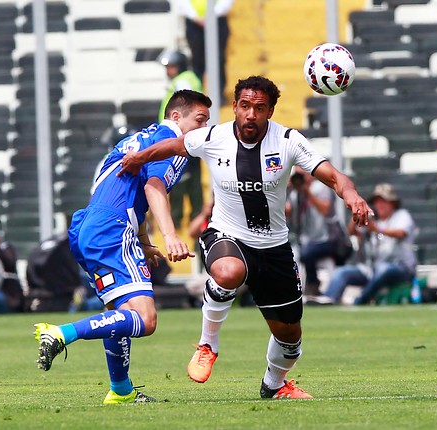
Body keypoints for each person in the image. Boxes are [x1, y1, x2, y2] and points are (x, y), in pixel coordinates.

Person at [118, 75, 373, 399]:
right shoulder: (214, 136)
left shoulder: (288, 141)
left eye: (260, 108)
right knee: (228, 272)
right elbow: (174, 145)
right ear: (236, 106)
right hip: (227, 234)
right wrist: (140, 157)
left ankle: (275, 384)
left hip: (274, 247)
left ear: (270, 111)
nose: (251, 114)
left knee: (290, 338)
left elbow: (335, 177)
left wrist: (352, 196)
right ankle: (208, 344)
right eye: (245, 106)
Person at [32, 89, 212, 404]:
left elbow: (124, 189)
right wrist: (169, 234)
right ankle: (61, 334)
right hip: (114, 229)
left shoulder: (136, 140)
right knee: (146, 319)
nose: (203, 128)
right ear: (175, 117)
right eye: (199, 119)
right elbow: (154, 186)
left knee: (120, 312)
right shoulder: (168, 143)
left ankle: (121, 390)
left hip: (91, 228)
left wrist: (144, 241)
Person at [323, 183, 417, 305]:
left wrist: (377, 229)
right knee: (341, 272)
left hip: (400, 268)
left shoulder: (402, 215)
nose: (380, 205)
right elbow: (351, 232)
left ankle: (359, 301)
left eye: (384, 201)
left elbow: (401, 233)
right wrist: (356, 213)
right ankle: (328, 300)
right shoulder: (372, 218)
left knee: (382, 269)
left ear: (393, 203)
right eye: (377, 201)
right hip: (371, 268)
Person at [157, 50, 204, 230]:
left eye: (171, 67)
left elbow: (188, 109)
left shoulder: (183, 81)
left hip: (182, 138)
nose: (168, 71)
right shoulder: (187, 79)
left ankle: (178, 220)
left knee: (180, 180)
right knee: (191, 179)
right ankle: (191, 215)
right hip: (187, 137)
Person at [286, 168, 342, 305]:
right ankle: (292, 293)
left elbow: (325, 209)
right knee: (295, 253)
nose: (301, 177)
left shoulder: (321, 187)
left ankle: (313, 283)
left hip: (327, 238)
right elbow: (289, 216)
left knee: (306, 252)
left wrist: (307, 193)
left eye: (303, 173)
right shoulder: (295, 193)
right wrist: (282, 189)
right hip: (306, 240)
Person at [176, 0, 234, 103]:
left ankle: (218, 95)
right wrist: (195, 16)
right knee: (197, 61)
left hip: (217, 21)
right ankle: (197, 95)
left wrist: (212, 15)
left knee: (218, 59)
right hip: (194, 23)